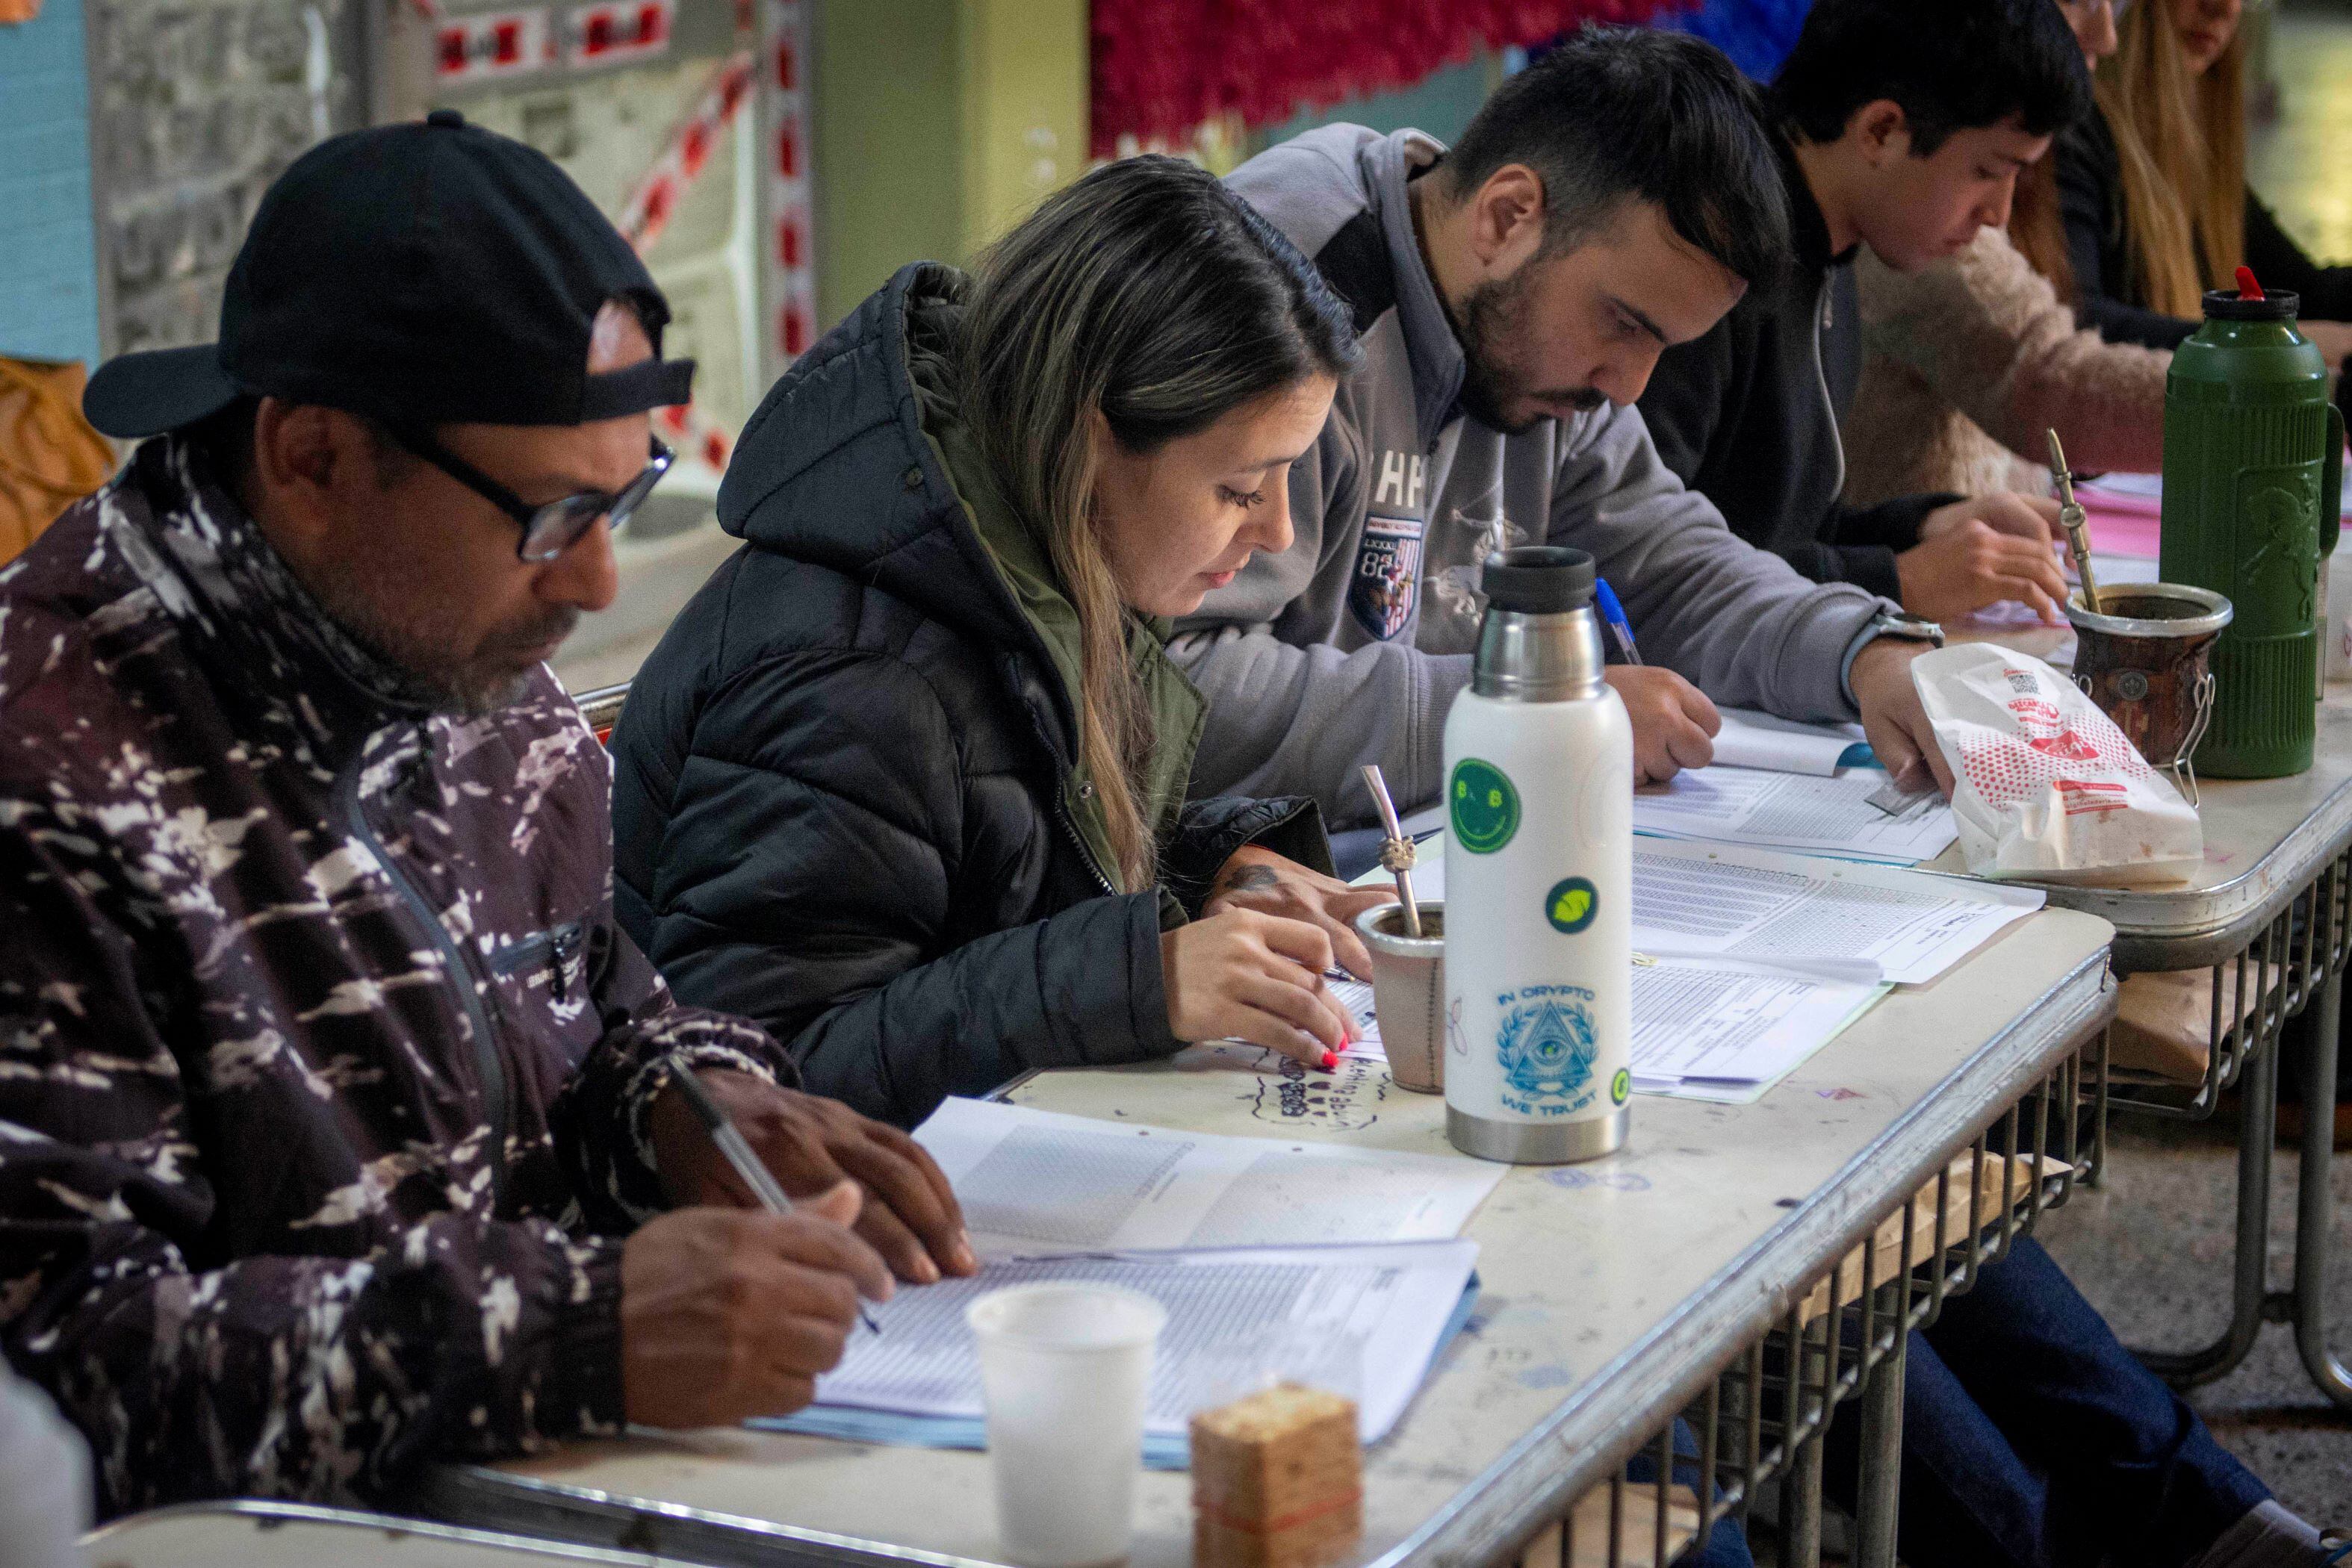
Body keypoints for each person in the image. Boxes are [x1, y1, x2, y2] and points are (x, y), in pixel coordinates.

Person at [0, 113, 975, 1521]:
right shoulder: (49, 775)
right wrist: (573, 1332)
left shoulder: (460, 656)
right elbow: (67, 1377)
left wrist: (690, 1106)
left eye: (623, 500)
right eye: (545, 519)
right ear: (314, 456)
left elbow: (592, 1011)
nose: (589, 586)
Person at [609, 156, 1396, 1133]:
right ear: (1091, 439)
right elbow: (755, 1081)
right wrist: (1138, 977)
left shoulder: (1043, 562)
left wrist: (1209, 881)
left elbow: (996, 878)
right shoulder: (852, 675)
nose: (1278, 532)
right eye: (1242, 487)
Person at [1170, 26, 1958, 824]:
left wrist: (1864, 653)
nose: (1628, 388)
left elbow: (1670, 566)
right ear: (1507, 216)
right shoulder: (1282, 296)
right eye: (1623, 324)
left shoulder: (1530, 334)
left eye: (1662, 347)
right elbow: (1166, 692)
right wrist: (1531, 717)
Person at [1639, 0, 2084, 626]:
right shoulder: (1709, 239)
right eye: (1987, 171)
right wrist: (1893, 581)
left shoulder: (1833, 247)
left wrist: (1923, 526)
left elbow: (1782, 523)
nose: (1999, 214)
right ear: (1879, 131)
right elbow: (1643, 560)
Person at [1840, 0, 2173, 508]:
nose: (2107, 35)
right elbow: (2052, 384)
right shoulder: (1911, 209)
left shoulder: (1958, 161)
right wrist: (2281, 389)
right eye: (2082, 0)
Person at [2058, 0, 2352, 358]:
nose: (2224, 7)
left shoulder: (2192, 153)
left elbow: (2308, 293)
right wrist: (2263, 344)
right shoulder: (2072, 136)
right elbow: (2073, 324)